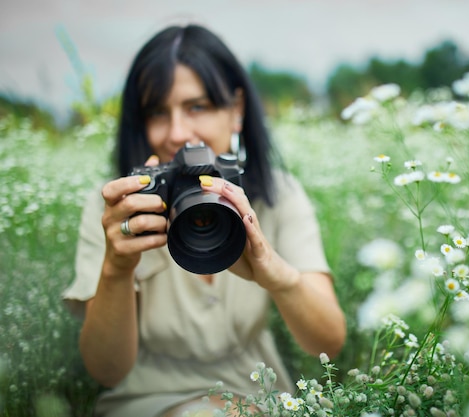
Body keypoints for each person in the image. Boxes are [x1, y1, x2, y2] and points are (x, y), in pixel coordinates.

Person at [63, 23, 346, 417]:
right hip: (147, 401)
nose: (178, 133)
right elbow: (107, 371)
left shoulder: (277, 194)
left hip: (263, 396)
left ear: (236, 110)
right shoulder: (118, 208)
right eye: (158, 112)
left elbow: (328, 345)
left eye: (197, 107)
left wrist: (277, 276)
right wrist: (117, 268)